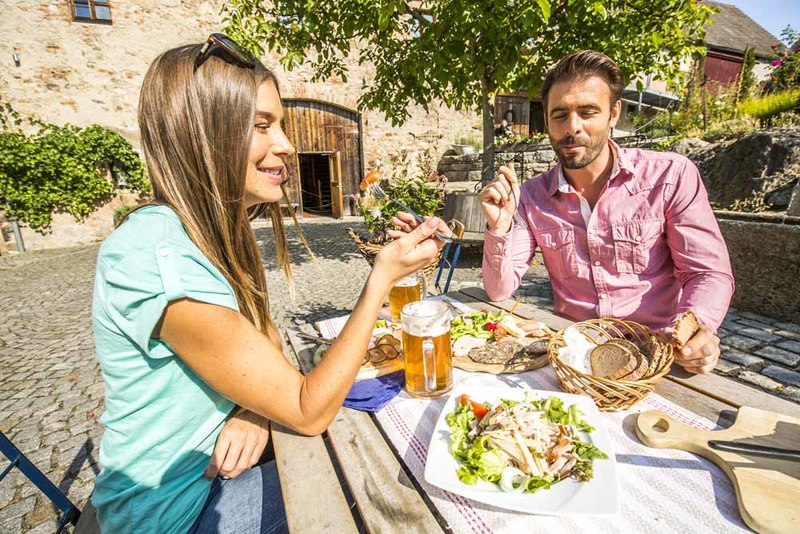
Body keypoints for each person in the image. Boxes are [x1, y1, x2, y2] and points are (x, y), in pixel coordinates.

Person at [91, 34, 447, 533]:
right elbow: (307, 412)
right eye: (262, 126)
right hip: (177, 513)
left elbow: (266, 338)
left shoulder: (210, 228)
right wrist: (380, 281)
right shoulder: (160, 257)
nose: (285, 144)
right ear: (201, 135)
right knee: (387, 490)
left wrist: (251, 407)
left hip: (213, 476)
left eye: (278, 124)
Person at [478, 50, 734, 375]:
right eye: (559, 115)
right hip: (576, 361)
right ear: (547, 120)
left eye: (588, 112)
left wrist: (698, 326)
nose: (572, 128)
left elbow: (708, 273)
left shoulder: (669, 177)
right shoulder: (531, 197)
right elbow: (498, 290)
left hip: (659, 358)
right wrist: (499, 228)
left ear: (613, 114)